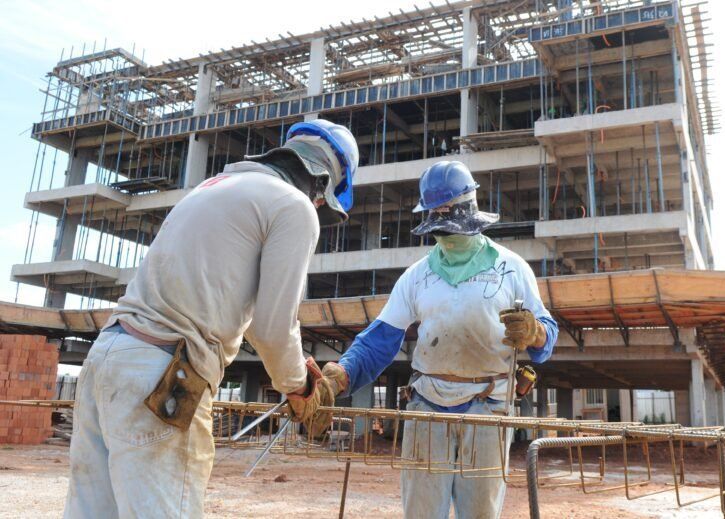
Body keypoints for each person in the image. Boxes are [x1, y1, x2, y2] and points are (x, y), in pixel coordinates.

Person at [64, 119, 358, 518]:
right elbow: (272, 327)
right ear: (322, 185)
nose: (320, 208)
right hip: (164, 376)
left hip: (107, 357)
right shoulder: (294, 206)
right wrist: (300, 385)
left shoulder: (211, 188)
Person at [317, 161, 558, 518]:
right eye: (439, 230)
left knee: (480, 512)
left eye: (451, 229)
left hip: (488, 408)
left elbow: (547, 338)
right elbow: (380, 339)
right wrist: (340, 376)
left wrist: (535, 332)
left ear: (471, 216)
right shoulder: (418, 277)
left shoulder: (511, 268)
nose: (445, 238)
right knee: (422, 512)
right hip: (427, 408)